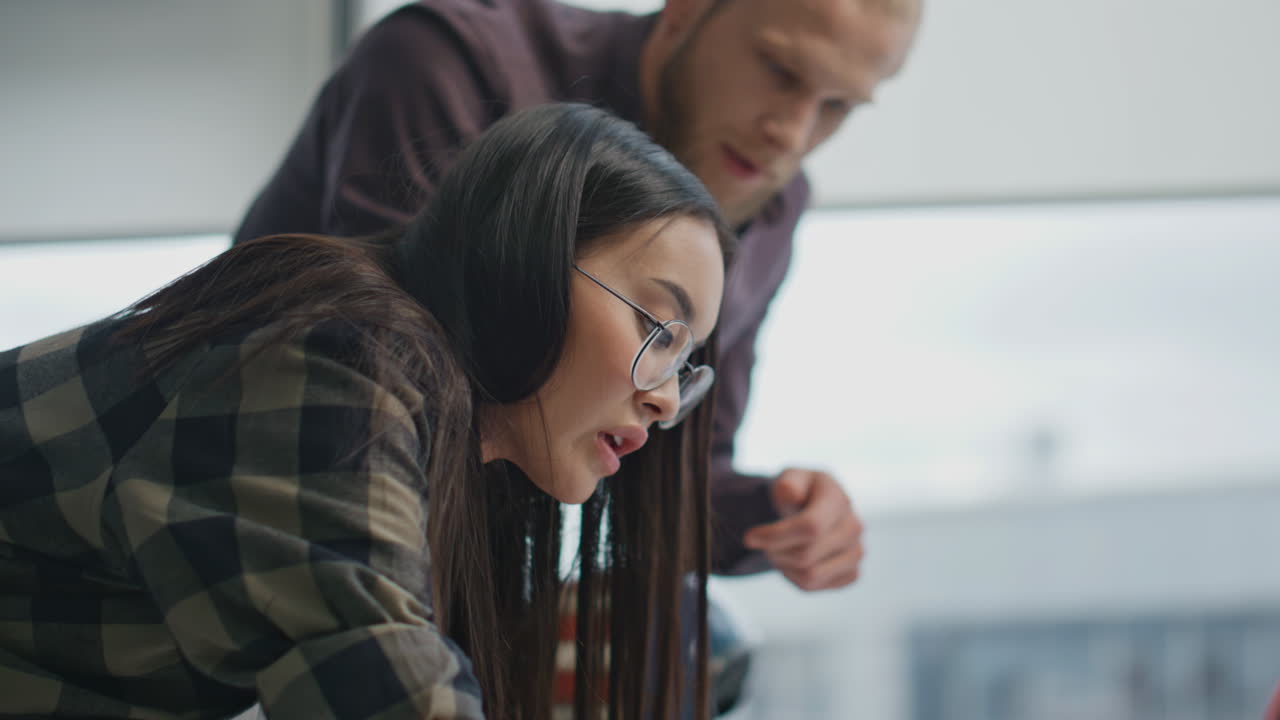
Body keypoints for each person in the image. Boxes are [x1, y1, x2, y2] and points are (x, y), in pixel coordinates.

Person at [0, 103, 733, 720]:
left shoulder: (436, 440)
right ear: (529, 259)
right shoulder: (338, 352)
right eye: (657, 330)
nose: (666, 397)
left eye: (686, 359)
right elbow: (385, 687)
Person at [235, 0, 922, 590]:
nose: (792, 135)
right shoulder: (454, 63)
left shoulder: (771, 206)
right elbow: (396, 391)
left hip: (469, 596)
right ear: (688, 8)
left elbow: (675, 471)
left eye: (837, 107)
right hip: (251, 519)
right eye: (780, 70)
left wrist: (779, 517)